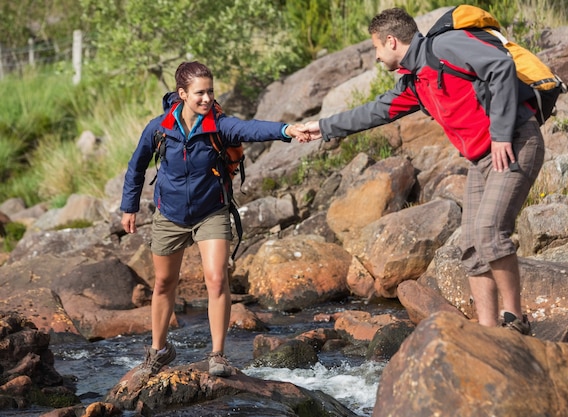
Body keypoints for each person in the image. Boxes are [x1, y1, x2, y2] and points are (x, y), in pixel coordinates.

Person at [302, 8, 544, 335]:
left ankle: (515, 320)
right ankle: (488, 332)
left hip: (514, 141)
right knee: (471, 245)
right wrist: (323, 127)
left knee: (489, 232)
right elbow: (374, 112)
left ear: (391, 41)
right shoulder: (415, 82)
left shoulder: (444, 48)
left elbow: (500, 66)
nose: (375, 57)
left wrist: (501, 134)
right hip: (480, 157)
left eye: (375, 48)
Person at [121, 61, 309, 378]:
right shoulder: (159, 128)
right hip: (169, 214)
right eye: (199, 93)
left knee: (217, 279)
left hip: (211, 211)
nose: (207, 98)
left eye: (210, 91)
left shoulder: (218, 126)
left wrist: (285, 130)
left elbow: (251, 129)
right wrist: (129, 207)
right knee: (165, 283)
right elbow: (136, 167)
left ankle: (218, 354)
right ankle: (159, 350)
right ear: (182, 94)